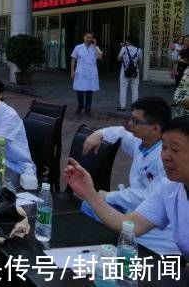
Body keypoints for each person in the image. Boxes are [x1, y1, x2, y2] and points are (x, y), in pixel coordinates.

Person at [65, 116, 189, 258]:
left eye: (175, 149)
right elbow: (132, 225)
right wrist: (90, 194)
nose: (165, 156)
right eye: (164, 147)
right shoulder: (170, 187)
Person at [71, 32, 103, 116]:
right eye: (87, 37)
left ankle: (87, 109)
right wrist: (72, 71)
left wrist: (95, 46)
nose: (89, 39)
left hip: (91, 72)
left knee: (89, 91)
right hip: (80, 72)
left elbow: (100, 57)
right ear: (84, 37)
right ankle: (80, 105)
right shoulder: (78, 47)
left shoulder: (95, 48)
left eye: (90, 38)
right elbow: (73, 59)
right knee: (79, 90)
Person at [117, 36, 142, 111]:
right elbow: (140, 62)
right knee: (135, 89)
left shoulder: (124, 48)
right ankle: (134, 107)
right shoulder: (139, 50)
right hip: (135, 72)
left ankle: (122, 107)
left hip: (124, 71)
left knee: (123, 88)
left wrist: (123, 49)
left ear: (128, 41)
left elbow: (119, 58)